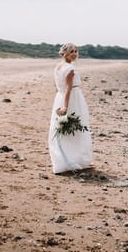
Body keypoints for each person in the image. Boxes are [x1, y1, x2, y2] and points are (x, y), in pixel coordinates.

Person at [48, 43, 92, 173]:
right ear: (65, 53)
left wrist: (60, 101)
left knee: (64, 129)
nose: (75, 54)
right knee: (74, 128)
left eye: (76, 51)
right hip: (72, 99)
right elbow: (68, 88)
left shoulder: (58, 66)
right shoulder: (70, 68)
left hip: (60, 97)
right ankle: (74, 160)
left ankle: (68, 159)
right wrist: (65, 107)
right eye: (72, 51)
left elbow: (58, 86)